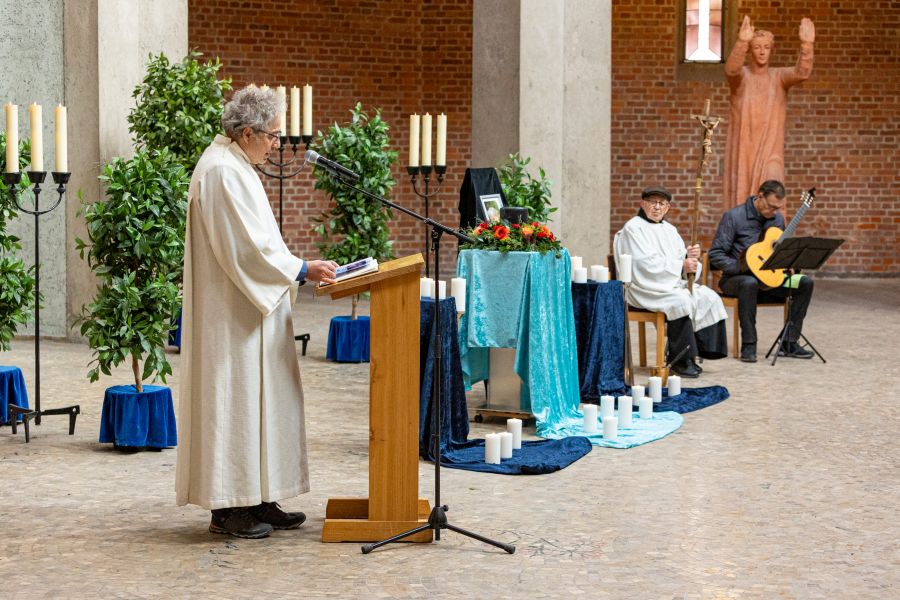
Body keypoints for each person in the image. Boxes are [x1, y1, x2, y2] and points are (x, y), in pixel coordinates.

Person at [175, 87, 339, 539]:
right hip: (233, 319)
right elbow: (246, 250)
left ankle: (260, 496)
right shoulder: (222, 172)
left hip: (251, 313)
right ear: (246, 132)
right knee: (235, 405)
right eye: (271, 136)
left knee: (262, 406)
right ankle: (229, 510)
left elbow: (259, 243)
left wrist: (295, 267)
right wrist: (302, 269)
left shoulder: (236, 164)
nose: (276, 145)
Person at [614, 186, 728, 378]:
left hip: (667, 283)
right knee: (680, 301)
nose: (657, 207)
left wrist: (691, 261)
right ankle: (679, 361)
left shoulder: (670, 230)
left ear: (668, 208)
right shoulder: (633, 228)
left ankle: (699, 352)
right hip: (643, 287)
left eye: (662, 203)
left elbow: (682, 263)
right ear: (643, 204)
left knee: (709, 296)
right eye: (652, 202)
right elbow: (644, 264)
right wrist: (681, 264)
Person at [708, 179, 815, 363]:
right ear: (760, 196)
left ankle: (789, 341)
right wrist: (741, 266)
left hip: (768, 281)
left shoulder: (778, 219)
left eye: (777, 208)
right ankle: (749, 345)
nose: (774, 212)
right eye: (771, 207)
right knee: (749, 283)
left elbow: (777, 252)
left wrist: (788, 262)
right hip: (736, 279)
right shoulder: (734, 217)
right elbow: (716, 254)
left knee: (805, 282)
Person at [723, 16, 815, 209]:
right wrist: (742, 42)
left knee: (773, 186)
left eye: (766, 47)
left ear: (772, 49)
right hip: (746, 150)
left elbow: (801, 73)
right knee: (743, 194)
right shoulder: (743, 77)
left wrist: (807, 45)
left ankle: (774, 236)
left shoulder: (778, 77)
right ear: (750, 50)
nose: (762, 51)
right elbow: (731, 70)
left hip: (771, 151)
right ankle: (745, 235)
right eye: (757, 47)